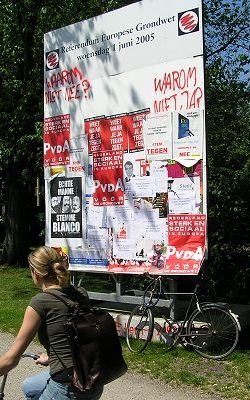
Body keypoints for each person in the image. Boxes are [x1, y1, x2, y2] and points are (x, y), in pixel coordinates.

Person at [0, 246, 103, 400]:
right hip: (94, 377)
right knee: (30, 387)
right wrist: (51, 357)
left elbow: (10, 360)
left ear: (35, 273)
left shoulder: (40, 302)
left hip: (69, 388)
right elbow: (77, 336)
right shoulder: (81, 293)